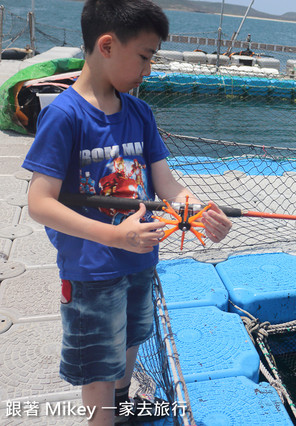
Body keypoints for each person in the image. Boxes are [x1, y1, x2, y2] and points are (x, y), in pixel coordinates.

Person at [21, 1, 232, 424]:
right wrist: (114, 237)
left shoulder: (140, 113)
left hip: (141, 258)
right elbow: (39, 202)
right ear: (107, 46)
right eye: (145, 56)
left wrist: (199, 211)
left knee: (133, 337)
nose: (149, 69)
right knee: (98, 364)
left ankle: (124, 402)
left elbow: (167, 184)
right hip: (91, 269)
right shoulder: (64, 116)